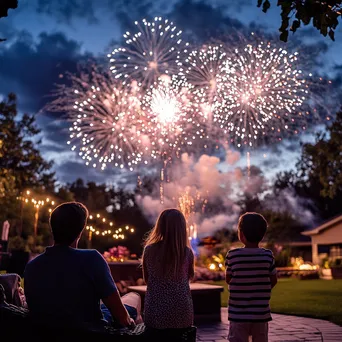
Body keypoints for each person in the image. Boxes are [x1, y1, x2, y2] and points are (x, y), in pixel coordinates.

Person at [24, 202, 141, 328]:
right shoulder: (92, 259)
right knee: (134, 298)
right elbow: (121, 316)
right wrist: (130, 323)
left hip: (47, 332)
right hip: (90, 332)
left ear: (52, 228)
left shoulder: (32, 266)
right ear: (80, 231)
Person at [225, 212, 278, 342]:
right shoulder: (267, 256)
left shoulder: (233, 255)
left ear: (241, 234)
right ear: (262, 234)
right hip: (260, 313)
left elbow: (228, 279)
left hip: (238, 314)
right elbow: (273, 280)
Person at [142, 208, 194, 331]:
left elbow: (147, 279)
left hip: (155, 314)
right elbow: (189, 277)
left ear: (160, 227)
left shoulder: (149, 251)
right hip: (182, 314)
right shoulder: (187, 253)